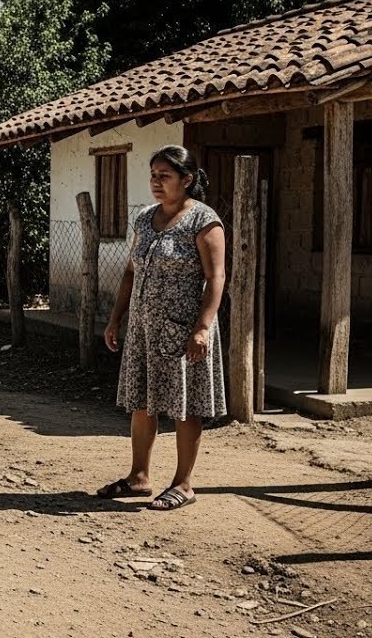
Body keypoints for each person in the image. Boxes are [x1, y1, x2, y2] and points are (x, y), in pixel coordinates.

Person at [96, 144, 226, 511]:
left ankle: (183, 484)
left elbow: (216, 277)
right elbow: (130, 271)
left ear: (187, 180)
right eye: (153, 175)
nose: (155, 182)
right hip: (143, 328)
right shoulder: (145, 218)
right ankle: (139, 477)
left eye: (164, 176)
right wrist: (115, 318)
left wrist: (202, 326)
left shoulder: (204, 221)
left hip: (183, 329)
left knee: (185, 406)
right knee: (141, 402)